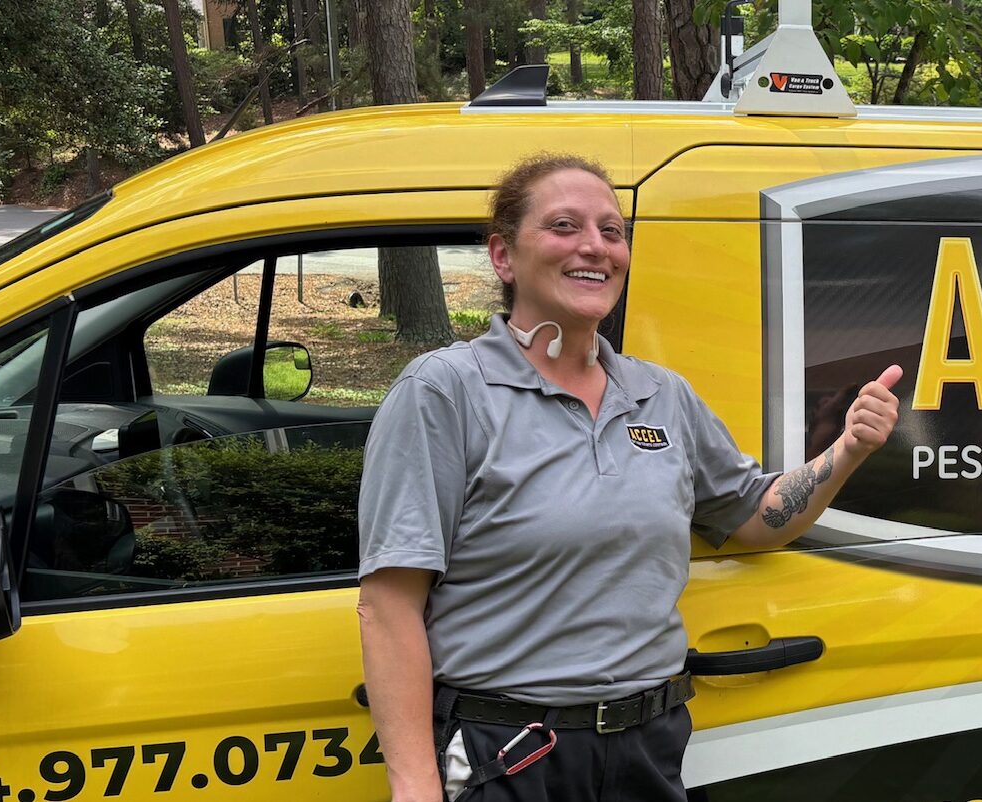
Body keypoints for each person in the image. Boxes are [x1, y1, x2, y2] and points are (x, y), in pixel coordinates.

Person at [356, 153, 903, 802]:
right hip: (508, 757)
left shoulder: (661, 396)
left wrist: (847, 450)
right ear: (503, 257)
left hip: (647, 751)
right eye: (563, 226)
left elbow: (755, 514)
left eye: (612, 231)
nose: (595, 246)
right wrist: (415, 786)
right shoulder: (445, 392)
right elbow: (389, 604)